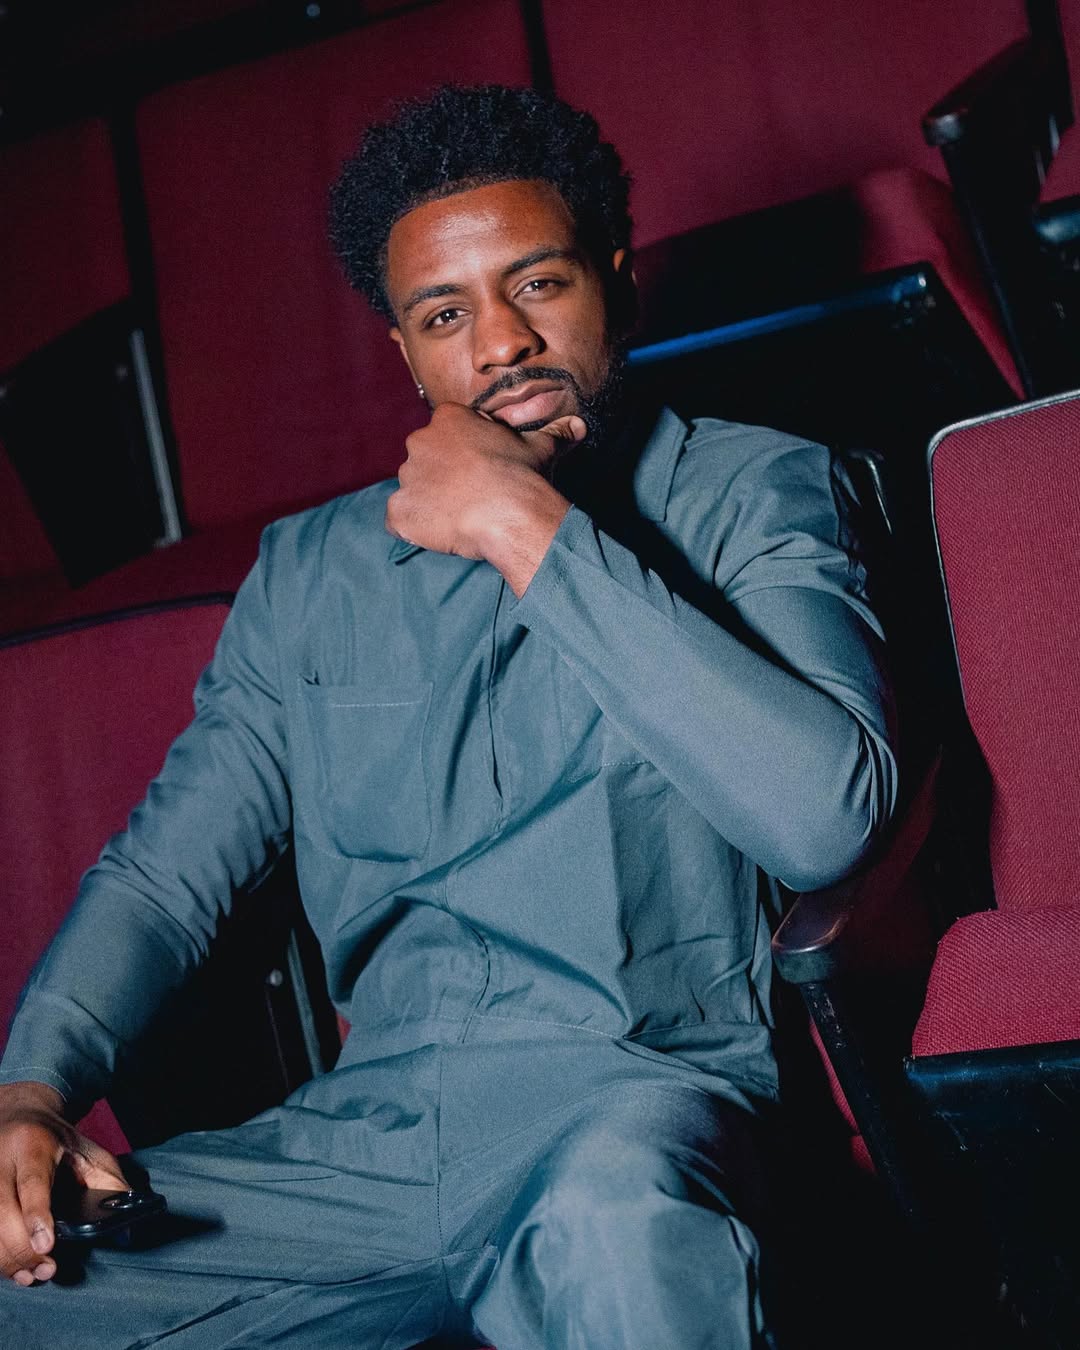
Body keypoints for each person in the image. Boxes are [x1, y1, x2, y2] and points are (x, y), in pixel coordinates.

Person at [0, 84, 897, 1347]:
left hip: (633, 1110)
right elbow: (163, 881)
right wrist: (32, 1089)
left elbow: (826, 818)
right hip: (360, 1148)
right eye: (445, 314)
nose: (501, 343)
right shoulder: (310, 573)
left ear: (618, 286)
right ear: (405, 354)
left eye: (540, 285)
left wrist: (524, 525)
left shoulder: (754, 490)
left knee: (618, 1232)